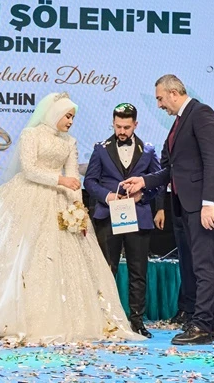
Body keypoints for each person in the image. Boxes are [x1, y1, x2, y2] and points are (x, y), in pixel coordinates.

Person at [0, 92, 145, 344]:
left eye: (72, 117)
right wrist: (59, 180)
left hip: (59, 201)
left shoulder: (69, 142)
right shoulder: (31, 135)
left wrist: (78, 210)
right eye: (67, 116)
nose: (70, 121)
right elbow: (29, 170)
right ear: (54, 113)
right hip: (28, 196)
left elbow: (74, 178)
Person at [123, 75, 214, 345]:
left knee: (205, 266)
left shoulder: (200, 113)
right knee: (196, 266)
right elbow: (174, 169)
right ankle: (205, 322)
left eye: (160, 98)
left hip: (201, 206)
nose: (159, 105)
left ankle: (203, 326)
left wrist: (208, 203)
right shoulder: (181, 120)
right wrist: (144, 181)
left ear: (173, 93)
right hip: (187, 206)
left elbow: (213, 160)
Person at [84, 103, 164, 338]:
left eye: (126, 127)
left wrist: (142, 195)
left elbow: (159, 181)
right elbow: (90, 181)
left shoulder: (148, 150)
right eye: (118, 126)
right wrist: (108, 196)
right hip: (108, 215)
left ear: (135, 125)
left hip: (138, 215)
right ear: (113, 123)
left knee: (138, 271)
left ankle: (137, 321)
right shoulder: (101, 149)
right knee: (106, 269)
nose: (121, 131)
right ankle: (106, 319)